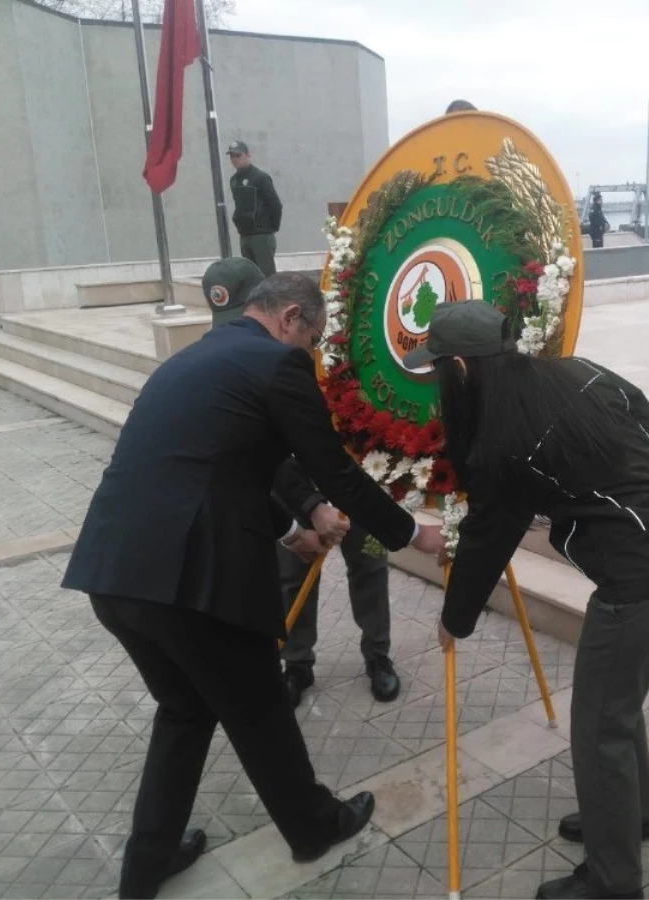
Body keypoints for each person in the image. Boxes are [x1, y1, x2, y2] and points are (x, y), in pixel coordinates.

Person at [62, 273, 443, 900]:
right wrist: (412, 535)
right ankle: (314, 826)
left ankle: (148, 862)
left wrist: (291, 528)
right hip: (191, 585)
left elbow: (212, 465)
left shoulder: (190, 362)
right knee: (261, 710)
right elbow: (336, 476)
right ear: (291, 316)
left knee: (186, 710)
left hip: (114, 573)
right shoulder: (276, 364)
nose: (311, 355)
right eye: (313, 339)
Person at [405, 302, 649, 900]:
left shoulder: (501, 440)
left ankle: (612, 881)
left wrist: (453, 618)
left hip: (638, 583)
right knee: (615, 711)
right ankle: (627, 819)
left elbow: (491, 533)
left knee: (598, 728)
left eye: (438, 369)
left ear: (460, 367)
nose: (439, 382)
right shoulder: (576, 372)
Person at [201, 257, 402, 707]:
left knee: (370, 565)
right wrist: (310, 501)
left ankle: (378, 656)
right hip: (294, 488)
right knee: (291, 574)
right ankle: (297, 663)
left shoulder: (335, 342)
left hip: (359, 480)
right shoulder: (240, 357)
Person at [227, 139, 283, 276]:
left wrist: (270, 228)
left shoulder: (260, 177)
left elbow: (275, 205)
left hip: (261, 235)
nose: (235, 159)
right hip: (245, 234)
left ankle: (270, 299)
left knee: (266, 276)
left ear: (247, 155)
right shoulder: (234, 180)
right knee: (250, 276)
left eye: (238, 155)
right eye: (232, 156)